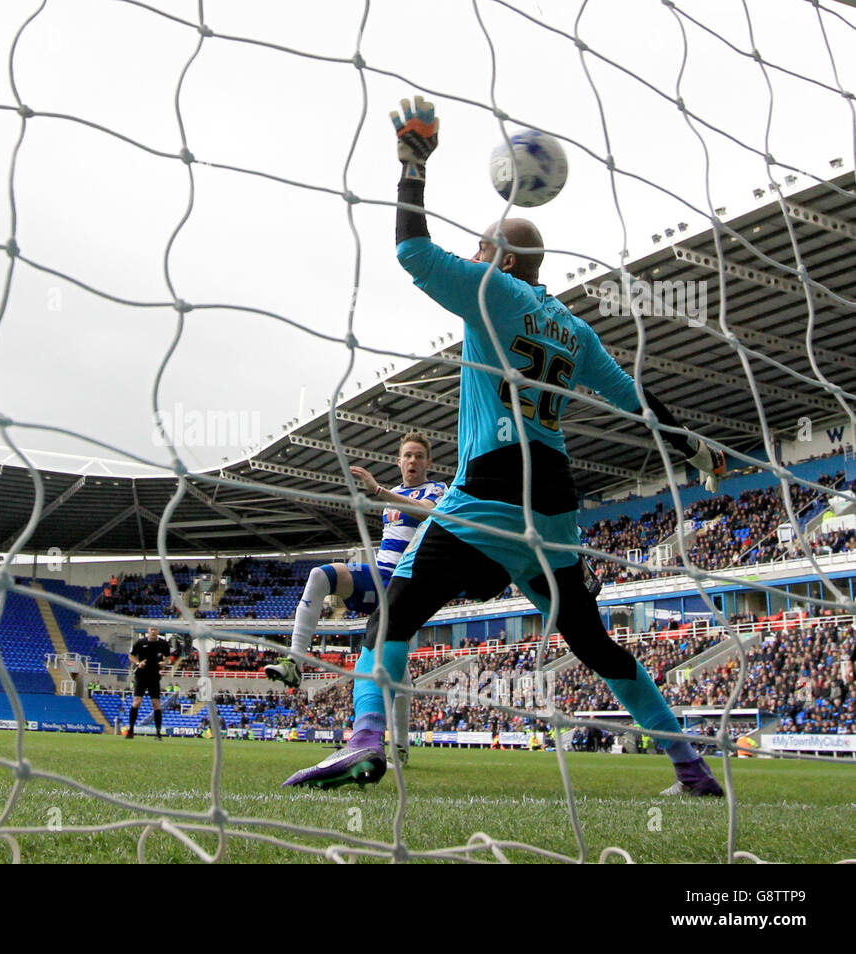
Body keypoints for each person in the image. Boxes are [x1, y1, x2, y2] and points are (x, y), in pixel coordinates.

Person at [284, 98, 726, 797]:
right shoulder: (574, 330)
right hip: (554, 497)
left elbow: (410, 252)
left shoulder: (492, 291)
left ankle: (365, 739)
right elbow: (635, 401)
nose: (472, 254)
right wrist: (698, 454)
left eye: (482, 246)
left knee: (392, 616)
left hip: (492, 480)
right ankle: (691, 767)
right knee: (592, 639)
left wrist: (412, 166)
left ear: (502, 258)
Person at [263, 432, 445, 689]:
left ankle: (400, 729)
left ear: (429, 463)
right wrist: (386, 493)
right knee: (319, 575)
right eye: (407, 455)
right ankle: (295, 662)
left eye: (419, 456)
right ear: (399, 461)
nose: (412, 460)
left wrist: (378, 491)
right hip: (380, 576)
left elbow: (425, 512)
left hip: (405, 584)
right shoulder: (393, 494)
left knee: (394, 661)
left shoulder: (437, 489)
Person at [126, 626, 171, 739]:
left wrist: (164, 663)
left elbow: (168, 656)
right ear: (148, 631)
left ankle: (158, 733)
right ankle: (130, 730)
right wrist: (138, 663)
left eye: (155, 629)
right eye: (152, 629)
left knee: (156, 704)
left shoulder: (163, 643)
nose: (153, 631)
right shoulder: (141, 642)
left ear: (158, 631)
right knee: (137, 702)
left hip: (154, 676)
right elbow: (131, 655)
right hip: (141, 675)